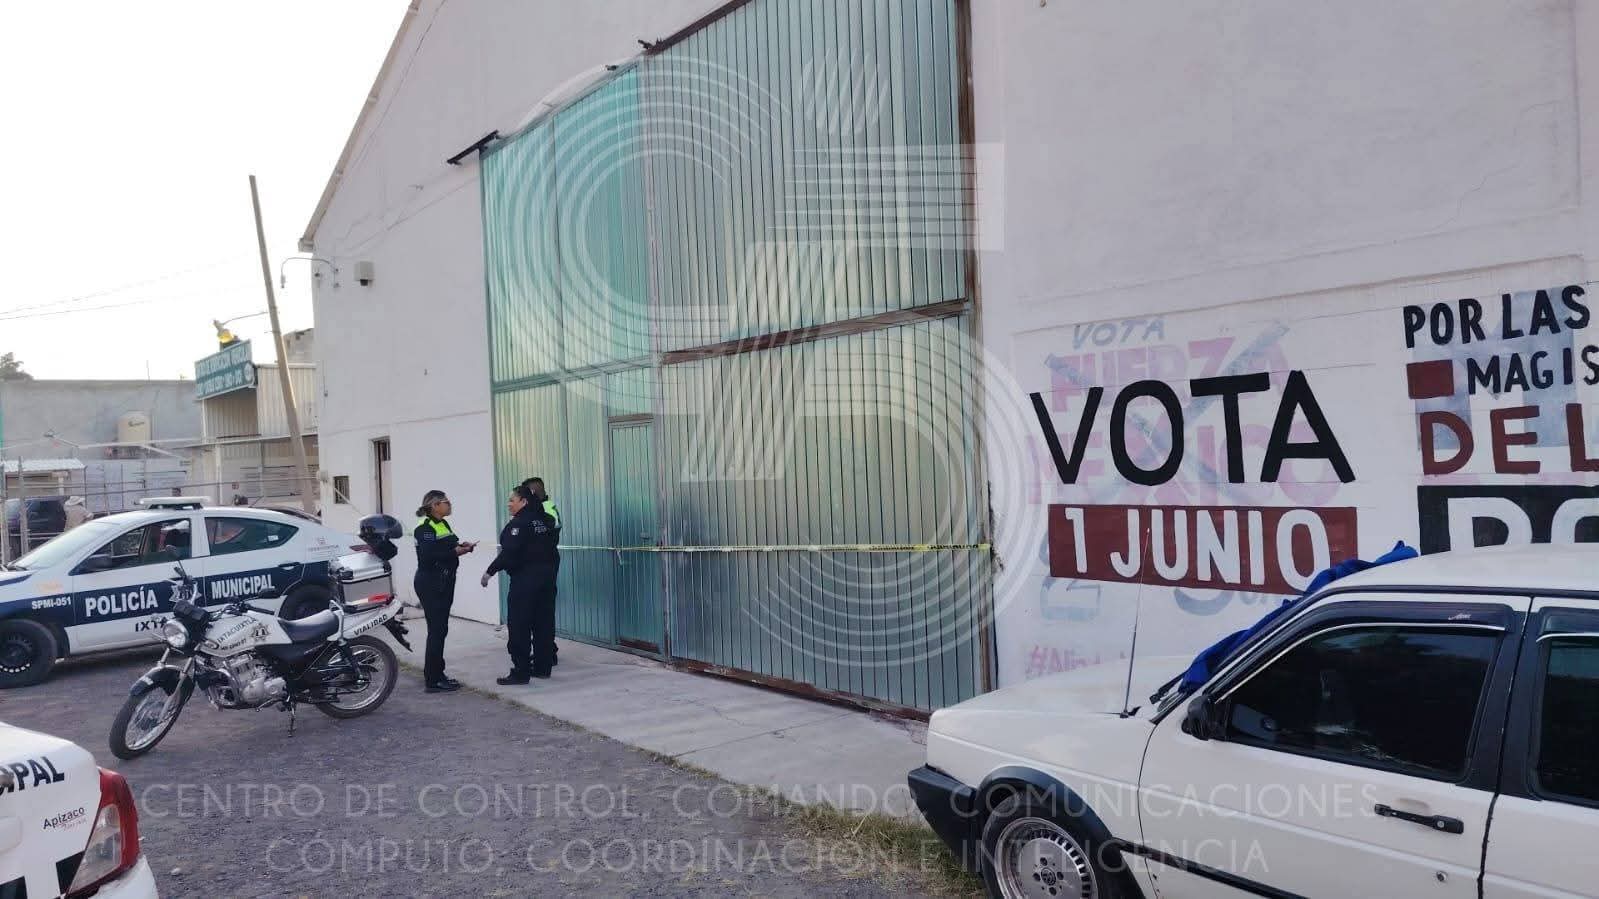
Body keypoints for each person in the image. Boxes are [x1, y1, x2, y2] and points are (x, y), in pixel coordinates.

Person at [482, 484, 559, 684]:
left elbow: (509, 553)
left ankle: (521, 671)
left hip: (525, 582)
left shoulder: (519, 524)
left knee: (519, 625)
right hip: (547, 580)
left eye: (512, 500)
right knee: (543, 624)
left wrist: (490, 571)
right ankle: (543, 668)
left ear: (523, 502)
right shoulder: (544, 520)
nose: (508, 504)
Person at [414, 490, 475, 693]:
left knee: (441, 629)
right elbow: (428, 556)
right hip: (431, 582)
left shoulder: (443, 524)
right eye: (446, 502)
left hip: (444, 581)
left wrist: (462, 546)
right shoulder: (425, 529)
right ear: (434, 506)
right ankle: (433, 680)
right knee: (437, 630)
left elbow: (449, 545)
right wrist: (454, 552)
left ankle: (438, 674)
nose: (450, 504)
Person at [521, 477, 561, 667]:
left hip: (546, 563)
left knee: (543, 610)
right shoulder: (534, 509)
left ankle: (547, 652)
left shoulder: (548, 508)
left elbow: (553, 526)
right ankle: (544, 650)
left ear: (534, 493)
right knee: (537, 611)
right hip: (536, 564)